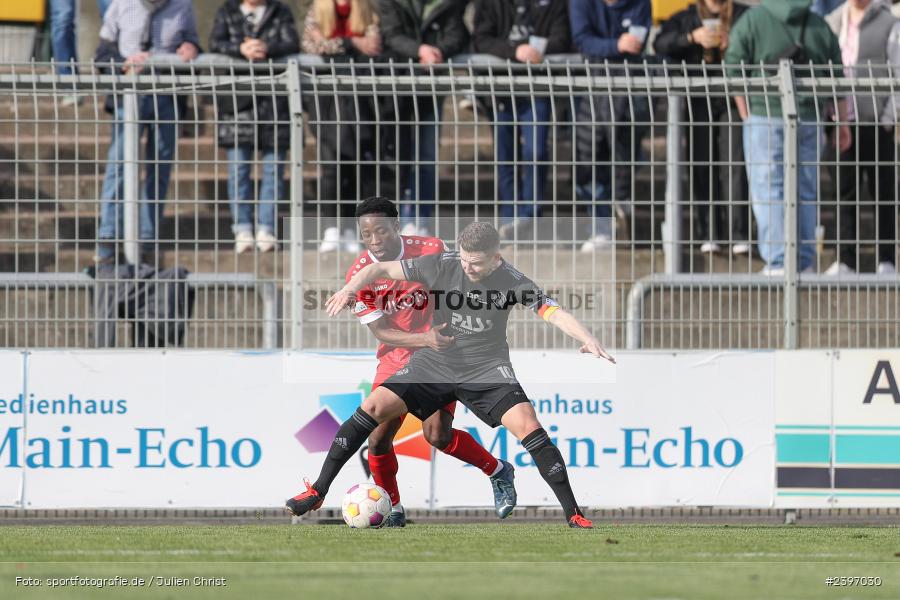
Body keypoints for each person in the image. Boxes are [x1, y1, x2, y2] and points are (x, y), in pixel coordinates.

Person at [287, 222, 615, 528]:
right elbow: (378, 268)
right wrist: (349, 289)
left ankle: (574, 514)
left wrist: (587, 338)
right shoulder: (443, 263)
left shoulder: (513, 281)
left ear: (495, 258)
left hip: (487, 368)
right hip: (436, 362)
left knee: (529, 426)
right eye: (464, 260)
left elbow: (553, 311)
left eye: (476, 263)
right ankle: (318, 491)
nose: (468, 268)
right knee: (372, 410)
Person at [339, 197, 517, 526]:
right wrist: (422, 339)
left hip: (440, 354)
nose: (375, 240)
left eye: (381, 231)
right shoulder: (358, 274)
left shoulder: (431, 248)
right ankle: (392, 507)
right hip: (397, 356)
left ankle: (498, 470)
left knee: (437, 436)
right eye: (367, 235)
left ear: (396, 226)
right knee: (378, 438)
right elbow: (381, 331)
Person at [724, 0, 850, 276]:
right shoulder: (819, 24)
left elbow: (732, 65)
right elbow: (837, 74)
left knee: (768, 188)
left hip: (764, 112)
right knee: (805, 189)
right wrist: (842, 122)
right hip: (810, 115)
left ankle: (779, 260)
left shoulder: (753, 20)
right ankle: (804, 261)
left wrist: (746, 110)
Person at [95, 0, 201, 265]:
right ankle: (108, 239)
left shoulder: (183, 6)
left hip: (166, 96)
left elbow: (194, 47)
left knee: (160, 168)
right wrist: (123, 62)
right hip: (128, 96)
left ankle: (146, 238)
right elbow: (101, 55)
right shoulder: (121, 5)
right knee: (118, 167)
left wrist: (193, 48)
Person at [654, 0, 752, 257]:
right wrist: (691, 37)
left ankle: (739, 234)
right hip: (698, 100)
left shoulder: (743, 15)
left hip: (734, 98)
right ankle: (709, 233)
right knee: (701, 164)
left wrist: (736, 42)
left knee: (736, 164)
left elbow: (759, 42)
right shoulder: (687, 17)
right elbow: (660, 43)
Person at [472, 0, 571, 240]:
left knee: (536, 152)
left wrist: (538, 51)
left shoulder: (554, 5)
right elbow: (480, 39)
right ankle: (511, 218)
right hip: (500, 89)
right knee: (506, 156)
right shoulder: (491, 6)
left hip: (537, 89)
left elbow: (563, 37)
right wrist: (514, 51)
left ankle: (530, 217)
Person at [210, 0, 300, 254]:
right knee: (238, 171)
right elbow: (215, 43)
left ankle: (266, 228)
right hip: (237, 104)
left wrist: (266, 48)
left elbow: (292, 42)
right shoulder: (226, 12)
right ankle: (243, 228)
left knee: (273, 172)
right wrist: (240, 48)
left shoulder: (281, 11)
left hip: (275, 103)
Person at [378, 0, 470, 236]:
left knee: (427, 156)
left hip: (430, 89)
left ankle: (419, 219)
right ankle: (393, 220)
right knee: (397, 154)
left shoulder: (446, 5)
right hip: (396, 89)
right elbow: (391, 34)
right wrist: (420, 50)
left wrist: (438, 52)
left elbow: (458, 35)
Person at [823, 0, 900, 275]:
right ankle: (845, 259)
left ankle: (887, 259)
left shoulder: (889, 23)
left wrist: (889, 118)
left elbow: (897, 70)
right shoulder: (833, 22)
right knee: (843, 191)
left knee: (883, 193)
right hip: (840, 120)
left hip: (875, 122)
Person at [569, 0, 652, 252]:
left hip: (629, 92)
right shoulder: (581, 3)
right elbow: (582, 39)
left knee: (625, 155)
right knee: (590, 158)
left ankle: (621, 209)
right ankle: (600, 227)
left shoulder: (640, 3)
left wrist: (612, 47)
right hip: (592, 91)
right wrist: (616, 45)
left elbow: (637, 42)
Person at [302, 0, 382, 253]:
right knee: (331, 163)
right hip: (326, 98)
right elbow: (311, 45)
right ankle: (332, 227)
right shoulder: (317, 10)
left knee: (356, 165)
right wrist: (352, 43)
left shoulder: (368, 10)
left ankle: (349, 228)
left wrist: (335, 44)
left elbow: (374, 44)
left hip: (359, 99)